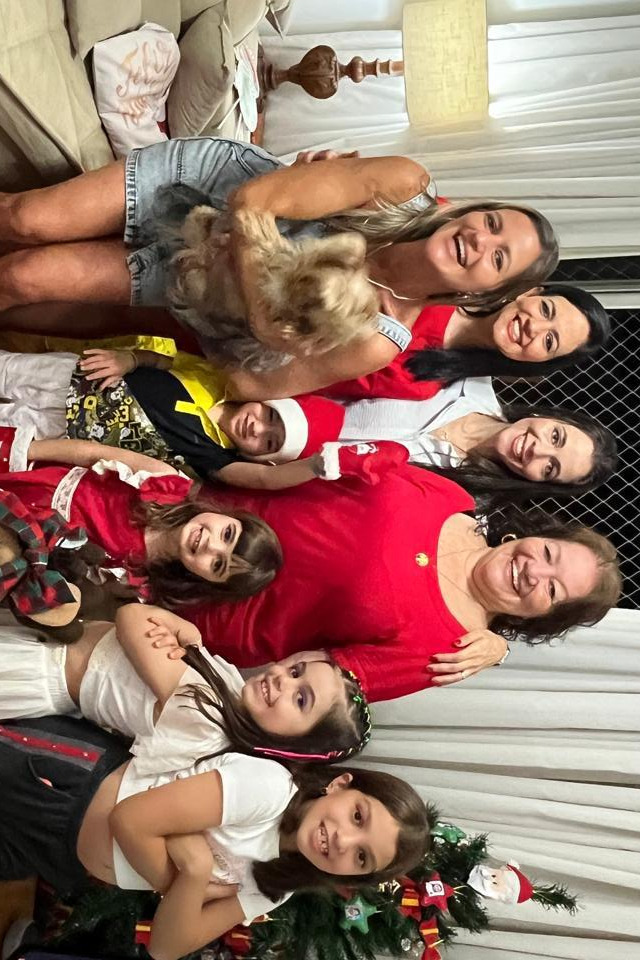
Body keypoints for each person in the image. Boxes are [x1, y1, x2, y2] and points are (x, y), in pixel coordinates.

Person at [0, 139, 558, 394]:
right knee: (26, 218)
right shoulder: (404, 186)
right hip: (206, 188)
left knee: (24, 278)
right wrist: (267, 317)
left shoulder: (379, 340)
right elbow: (252, 201)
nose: (480, 240)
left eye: (499, 258)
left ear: (488, 293)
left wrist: (258, 338)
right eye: (491, 222)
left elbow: (253, 385)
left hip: (197, 279)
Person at [150, 462, 620, 703]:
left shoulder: (449, 651)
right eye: (549, 553)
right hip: (190, 500)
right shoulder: (452, 498)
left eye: (552, 590)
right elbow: (333, 469)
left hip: (178, 599)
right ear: (537, 534)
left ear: (540, 618)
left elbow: (311, 683)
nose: (535, 571)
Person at [0, 714, 430, 960]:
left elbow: (167, 947)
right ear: (340, 784)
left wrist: (195, 871)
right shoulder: (269, 790)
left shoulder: (275, 887)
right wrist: (183, 885)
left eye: (361, 857)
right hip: (64, 786)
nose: (343, 841)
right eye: (357, 816)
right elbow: (129, 820)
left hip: (57, 856)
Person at [0, 603, 371, 765]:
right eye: (295, 672)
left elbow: (131, 616)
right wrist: (186, 636)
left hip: (35, 669)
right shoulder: (228, 689)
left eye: (301, 699)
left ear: (296, 744)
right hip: (45, 645)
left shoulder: (205, 716)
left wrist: (185, 631)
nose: (282, 680)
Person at [0, 346, 344, 488]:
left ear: (260, 456)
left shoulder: (215, 457)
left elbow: (265, 480)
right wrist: (129, 359)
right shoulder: (214, 378)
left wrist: (312, 467)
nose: (257, 427)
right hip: (80, 377)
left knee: (7, 421)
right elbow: (159, 360)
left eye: (268, 441)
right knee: (7, 369)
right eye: (269, 415)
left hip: (69, 431)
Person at [237, 283, 610, 401]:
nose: (533, 327)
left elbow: (314, 387)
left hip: (251, 362)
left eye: (549, 341)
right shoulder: (449, 282)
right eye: (545, 309)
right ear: (531, 292)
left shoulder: (425, 385)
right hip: (263, 293)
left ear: (537, 364)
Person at [0, 454, 282, 607]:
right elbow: (91, 452)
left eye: (218, 564)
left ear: (206, 580)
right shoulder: (168, 486)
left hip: (21, 545)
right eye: (227, 534)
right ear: (226, 515)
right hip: (34, 483)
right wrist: (28, 449)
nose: (211, 545)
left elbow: (79, 586)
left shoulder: (141, 582)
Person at [331, 386, 617, 505]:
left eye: (550, 468)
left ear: (539, 482)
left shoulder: (463, 503)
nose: (538, 450)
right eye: (555, 437)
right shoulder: (463, 378)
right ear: (550, 417)